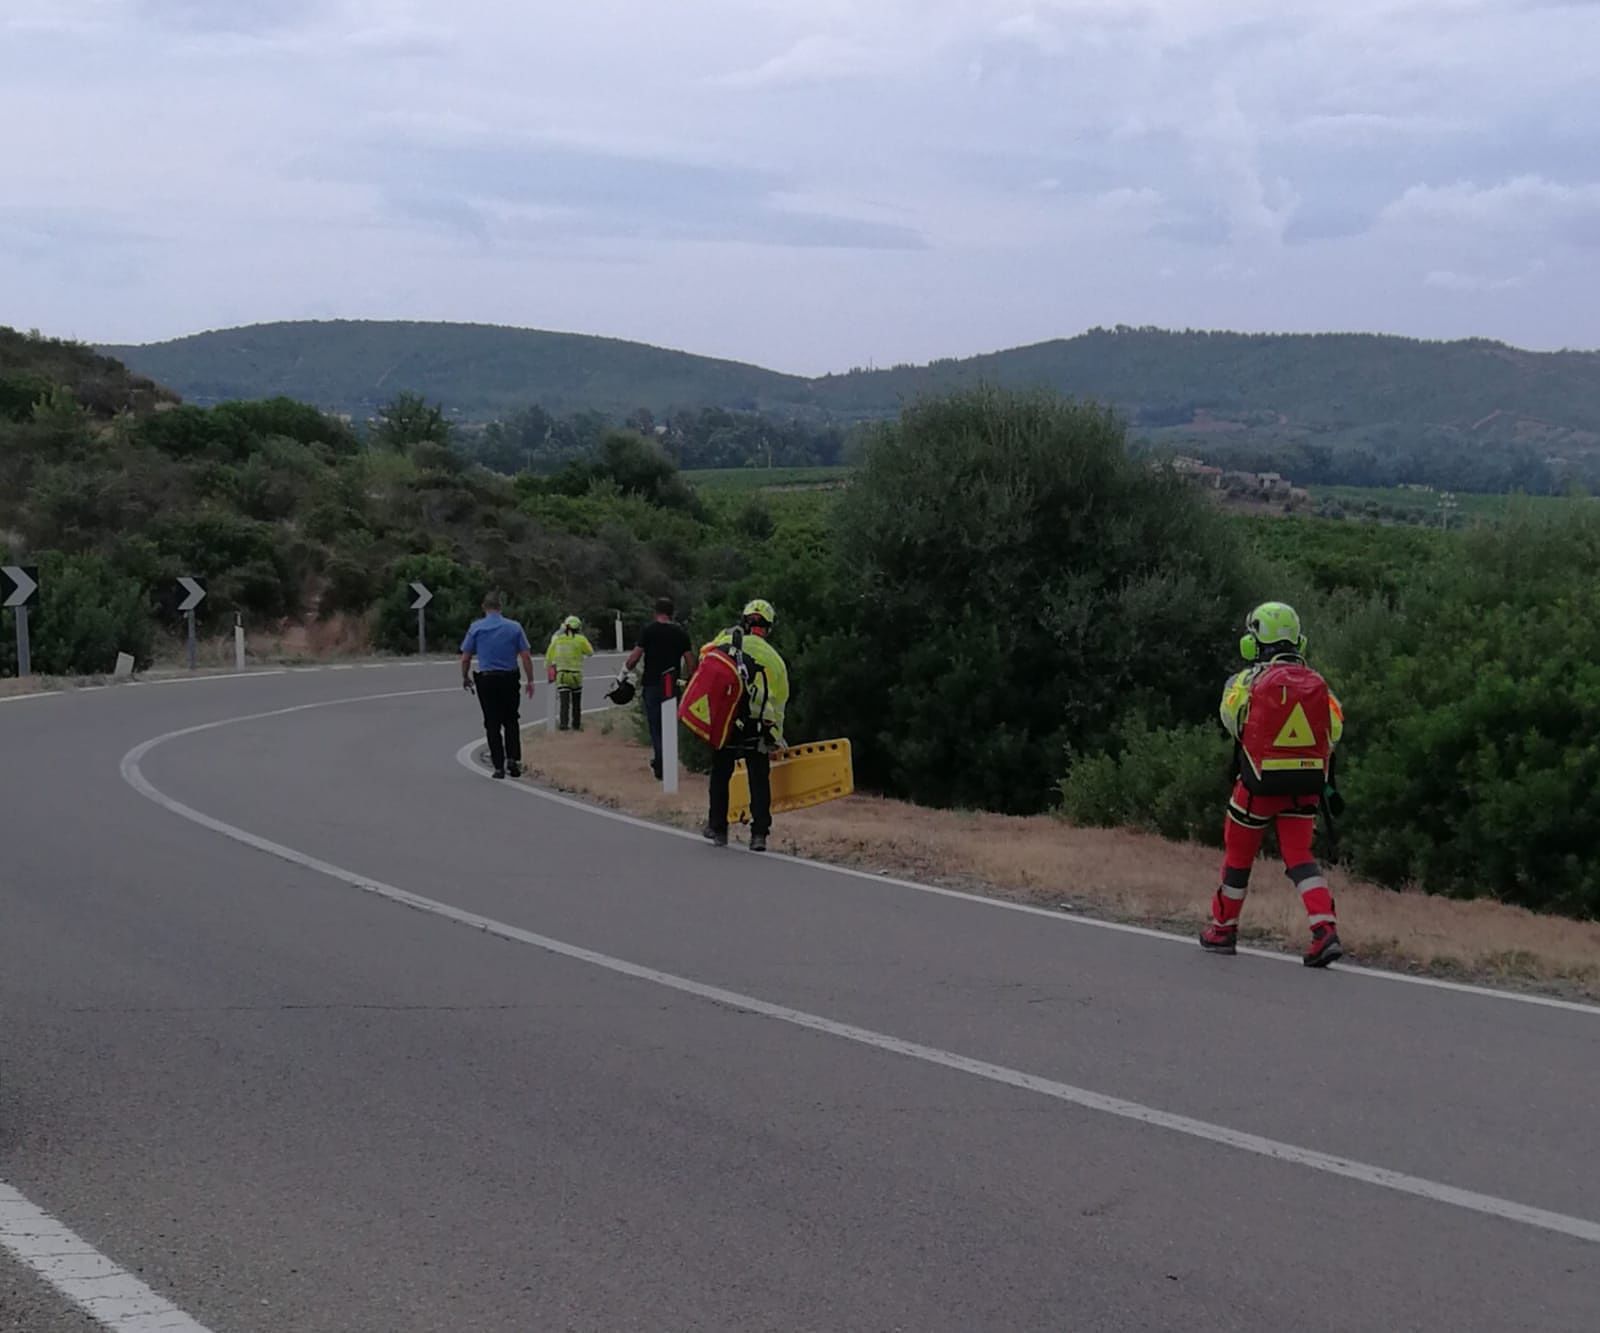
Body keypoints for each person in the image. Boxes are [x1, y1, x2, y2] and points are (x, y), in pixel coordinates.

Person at [1201, 601, 1346, 967]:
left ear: (1253, 643)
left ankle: (1223, 929)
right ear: (1300, 641)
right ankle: (1324, 929)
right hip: (1305, 788)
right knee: (1300, 857)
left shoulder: (1245, 682)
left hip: (1256, 788)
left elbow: (1230, 720)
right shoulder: (1319, 687)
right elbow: (1335, 731)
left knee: (1238, 859)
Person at [701, 598, 789, 852]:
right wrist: (776, 736)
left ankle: (718, 829)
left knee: (720, 774)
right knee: (759, 779)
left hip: (727, 721)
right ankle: (759, 834)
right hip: (757, 726)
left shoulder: (725, 641)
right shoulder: (776, 661)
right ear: (769, 628)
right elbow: (780, 702)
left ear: (744, 620)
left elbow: (706, 664)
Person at [460, 592, 535, 779]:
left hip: (487, 679)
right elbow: (525, 656)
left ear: (484, 608)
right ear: (500, 607)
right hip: (509, 678)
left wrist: (465, 677)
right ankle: (513, 759)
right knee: (511, 720)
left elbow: (466, 657)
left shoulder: (476, 628)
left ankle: (498, 766)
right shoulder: (514, 627)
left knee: (492, 723)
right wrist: (530, 679)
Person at [625, 597, 694, 779]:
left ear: (655, 612)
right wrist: (689, 679)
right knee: (670, 725)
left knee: (655, 726)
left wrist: (625, 671)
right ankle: (668, 761)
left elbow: (634, 657)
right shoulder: (680, 633)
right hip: (672, 684)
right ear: (672, 613)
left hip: (652, 684)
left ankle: (661, 761)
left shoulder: (648, 631)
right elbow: (690, 661)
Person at [545, 615, 595, 732]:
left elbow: (549, 655)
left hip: (562, 674)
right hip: (576, 675)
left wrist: (548, 667)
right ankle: (576, 725)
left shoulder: (558, 639)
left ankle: (563, 725)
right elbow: (590, 653)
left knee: (564, 702)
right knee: (576, 702)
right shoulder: (580, 639)